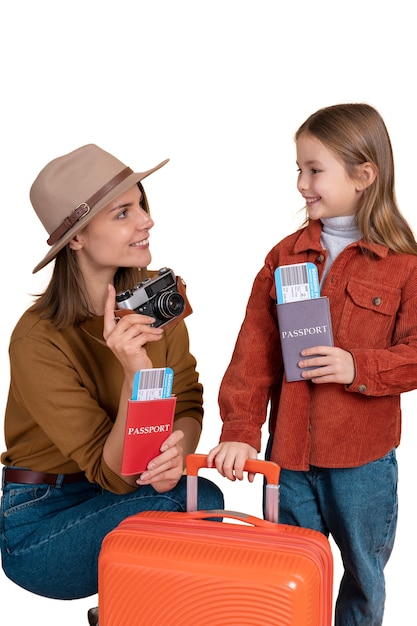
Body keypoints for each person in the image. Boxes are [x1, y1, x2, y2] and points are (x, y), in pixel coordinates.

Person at [207, 103, 417, 625]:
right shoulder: (284, 257)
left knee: (363, 580)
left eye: (314, 170)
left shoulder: (405, 266)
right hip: (289, 463)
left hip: (363, 465)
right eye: (298, 170)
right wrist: (239, 429)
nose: (302, 183)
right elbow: (252, 353)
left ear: (364, 175)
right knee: (286, 576)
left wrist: (357, 367)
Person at [0, 144, 224, 606]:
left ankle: (129, 611)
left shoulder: (155, 298)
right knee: (189, 504)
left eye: (141, 203)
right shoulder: (38, 340)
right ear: (77, 238)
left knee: (198, 495)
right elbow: (116, 477)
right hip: (41, 520)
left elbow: (187, 401)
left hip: (127, 493)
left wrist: (173, 453)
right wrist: (135, 372)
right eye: (123, 212)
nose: (146, 220)